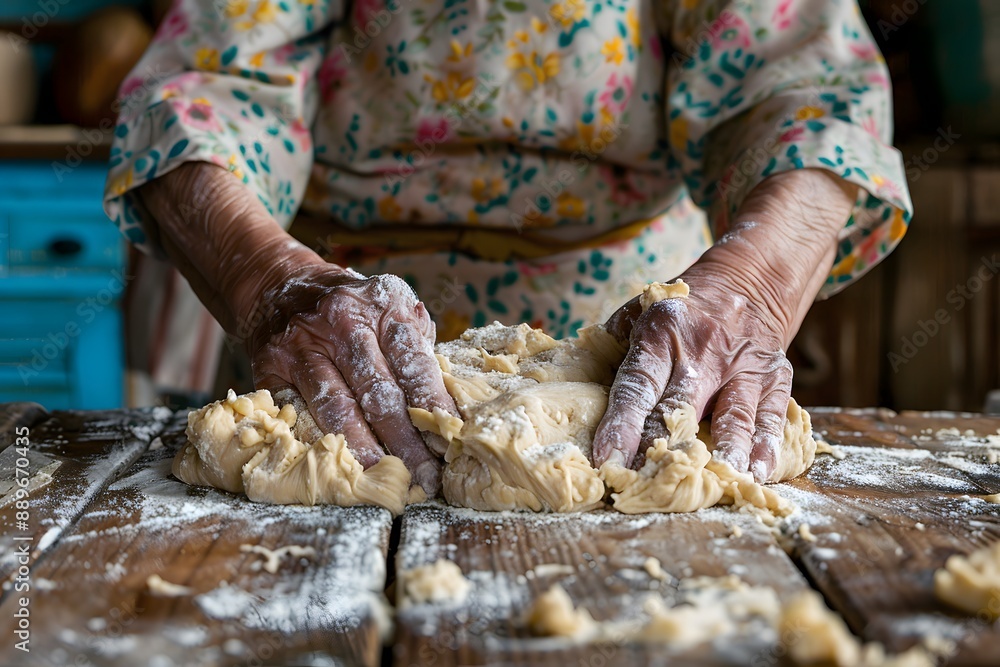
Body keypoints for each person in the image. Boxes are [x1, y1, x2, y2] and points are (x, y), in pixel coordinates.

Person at [104, 0, 911, 495]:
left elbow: (808, 94)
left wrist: (750, 289)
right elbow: (206, 88)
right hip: (335, 345)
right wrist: (268, 281)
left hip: (642, 352)